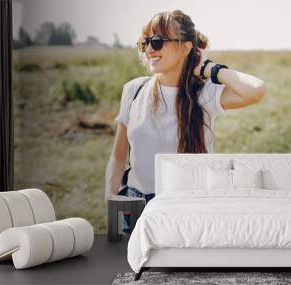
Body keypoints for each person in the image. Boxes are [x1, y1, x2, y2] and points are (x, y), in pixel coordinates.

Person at [104, 9, 267, 234]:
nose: (150, 49)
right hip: (136, 208)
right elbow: (118, 156)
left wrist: (210, 68)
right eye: (146, 42)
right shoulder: (134, 90)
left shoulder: (204, 94)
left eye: (158, 41)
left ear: (186, 47)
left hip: (186, 208)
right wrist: (112, 203)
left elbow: (256, 90)